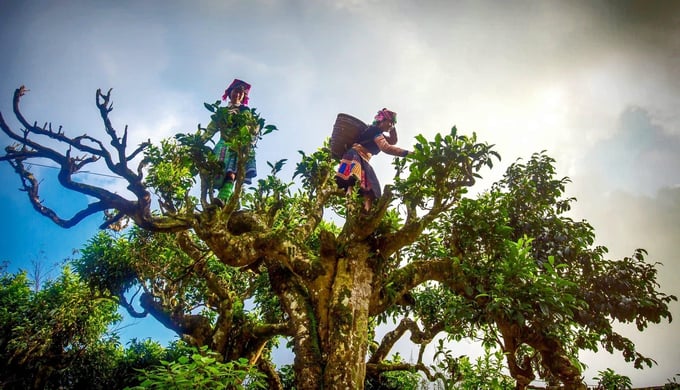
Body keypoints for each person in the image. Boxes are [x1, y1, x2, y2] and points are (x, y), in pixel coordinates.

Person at [335, 108, 410, 211]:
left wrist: (392, 126)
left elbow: (393, 141)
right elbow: (386, 148)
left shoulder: (377, 132)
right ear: (382, 120)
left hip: (363, 159)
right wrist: (408, 153)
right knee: (352, 182)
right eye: (390, 122)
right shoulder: (375, 131)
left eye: (393, 124)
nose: (391, 125)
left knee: (371, 189)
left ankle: (366, 212)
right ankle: (351, 207)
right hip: (356, 155)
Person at [206, 79, 259, 201]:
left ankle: (223, 198)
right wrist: (198, 143)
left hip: (238, 145)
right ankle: (226, 201)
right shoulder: (221, 112)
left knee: (232, 172)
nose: (238, 94)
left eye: (241, 93)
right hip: (223, 144)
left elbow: (252, 128)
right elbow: (210, 130)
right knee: (216, 171)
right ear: (230, 93)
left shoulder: (245, 112)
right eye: (236, 91)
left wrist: (250, 137)